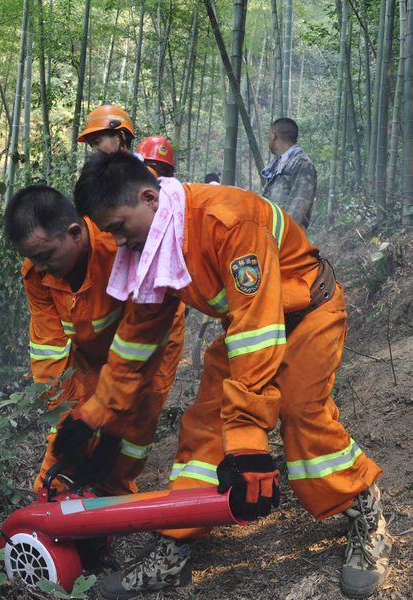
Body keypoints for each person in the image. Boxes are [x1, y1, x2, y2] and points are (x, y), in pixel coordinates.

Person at [57, 151, 392, 599]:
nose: (117, 242)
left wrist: (250, 443)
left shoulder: (228, 221)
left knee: (300, 414)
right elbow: (139, 333)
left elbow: (259, 329)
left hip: (307, 314)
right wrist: (96, 411)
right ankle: (173, 550)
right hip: (250, 327)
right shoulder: (156, 241)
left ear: (148, 197)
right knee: (201, 430)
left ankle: (366, 514)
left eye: (118, 226)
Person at [4, 184, 185, 498]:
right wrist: (64, 429)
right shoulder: (36, 274)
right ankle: (55, 503)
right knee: (72, 437)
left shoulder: (119, 247)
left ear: (75, 233)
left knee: (130, 434)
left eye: (45, 256)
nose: (42, 267)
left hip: (148, 349)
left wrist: (113, 427)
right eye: (33, 259)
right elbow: (50, 363)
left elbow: (138, 350)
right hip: (90, 354)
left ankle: (113, 502)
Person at [262, 118, 317, 230]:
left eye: (268, 135)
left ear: (273, 136)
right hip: (271, 237)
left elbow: (298, 209)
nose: (268, 138)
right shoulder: (278, 164)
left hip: (287, 240)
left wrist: (282, 237)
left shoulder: (302, 163)